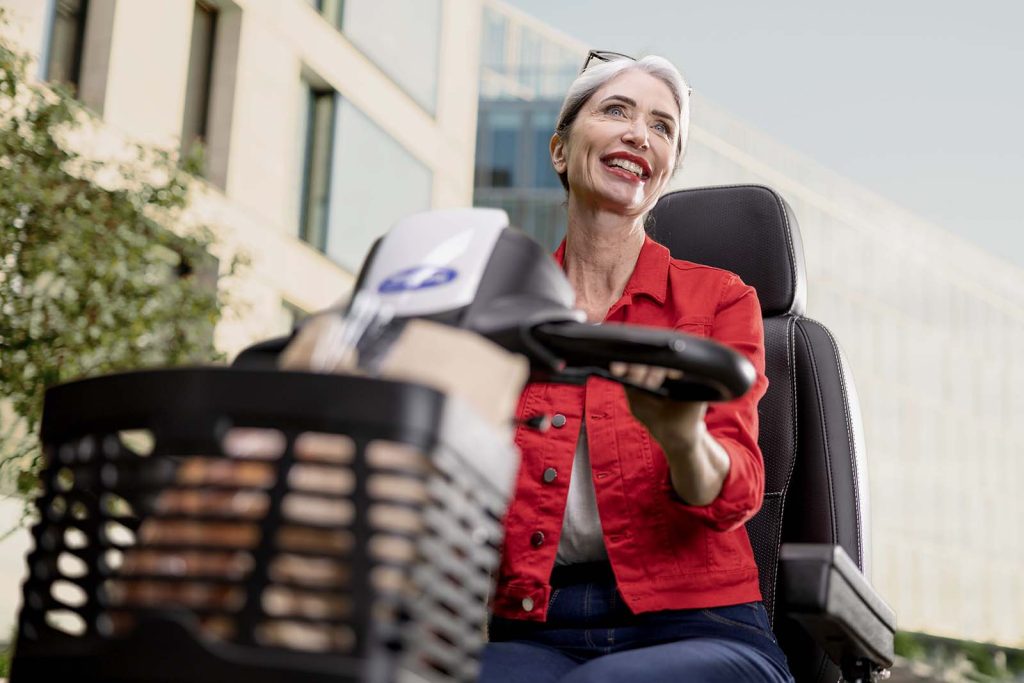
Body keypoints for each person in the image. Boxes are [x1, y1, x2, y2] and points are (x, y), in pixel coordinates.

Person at [478, 51, 794, 682]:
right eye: (616, 110)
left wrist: (682, 436)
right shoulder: (498, 315)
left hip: (700, 622)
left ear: (665, 170)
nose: (638, 134)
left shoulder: (721, 301)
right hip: (533, 624)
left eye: (662, 126)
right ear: (561, 151)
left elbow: (735, 493)